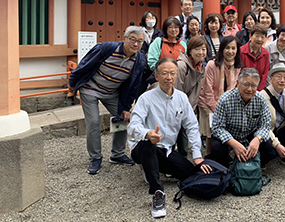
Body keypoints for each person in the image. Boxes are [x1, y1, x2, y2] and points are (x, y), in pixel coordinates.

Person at [128, 58, 212, 218]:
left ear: (176, 76)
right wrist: (147, 133)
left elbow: (192, 126)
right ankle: (157, 192)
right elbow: (133, 125)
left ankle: (152, 166)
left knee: (190, 173)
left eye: (172, 73)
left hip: (165, 150)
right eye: (164, 73)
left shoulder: (181, 98)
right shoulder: (146, 98)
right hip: (142, 147)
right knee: (149, 144)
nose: (169, 77)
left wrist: (197, 156)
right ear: (157, 76)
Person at [68, 26, 147, 174]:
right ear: (125, 38)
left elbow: (134, 85)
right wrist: (72, 83)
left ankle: (117, 154)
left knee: (123, 118)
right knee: (93, 122)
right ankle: (95, 158)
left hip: (112, 92)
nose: (136, 44)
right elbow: (85, 64)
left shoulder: (139, 59)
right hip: (90, 89)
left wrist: (126, 107)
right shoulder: (107, 48)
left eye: (140, 41)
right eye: (133, 40)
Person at [209, 68, 275, 168]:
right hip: (230, 134)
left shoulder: (261, 100)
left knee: (267, 144)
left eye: (253, 85)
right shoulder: (225, 99)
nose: (250, 89)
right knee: (216, 147)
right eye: (246, 84)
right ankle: (225, 168)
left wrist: (257, 139)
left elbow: (265, 125)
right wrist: (234, 143)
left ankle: (255, 166)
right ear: (238, 83)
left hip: (249, 134)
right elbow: (217, 128)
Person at [198, 36, 242, 154]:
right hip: (208, 102)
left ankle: (223, 154)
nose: (230, 51)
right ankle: (208, 154)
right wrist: (216, 108)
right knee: (210, 132)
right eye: (227, 48)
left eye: (233, 48)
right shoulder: (212, 65)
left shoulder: (237, 66)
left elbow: (234, 89)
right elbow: (208, 90)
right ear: (222, 49)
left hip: (226, 103)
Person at [138, 11, 163, 96]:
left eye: (153, 18)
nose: (151, 20)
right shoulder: (139, 31)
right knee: (140, 89)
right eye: (148, 18)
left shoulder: (159, 33)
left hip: (153, 65)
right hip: (142, 65)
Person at [240, 24, 270, 91]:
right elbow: (238, 73)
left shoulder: (266, 53)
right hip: (243, 89)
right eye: (257, 36)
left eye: (262, 37)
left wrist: (258, 90)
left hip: (259, 91)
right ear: (250, 36)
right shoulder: (241, 52)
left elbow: (265, 75)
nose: (259, 39)